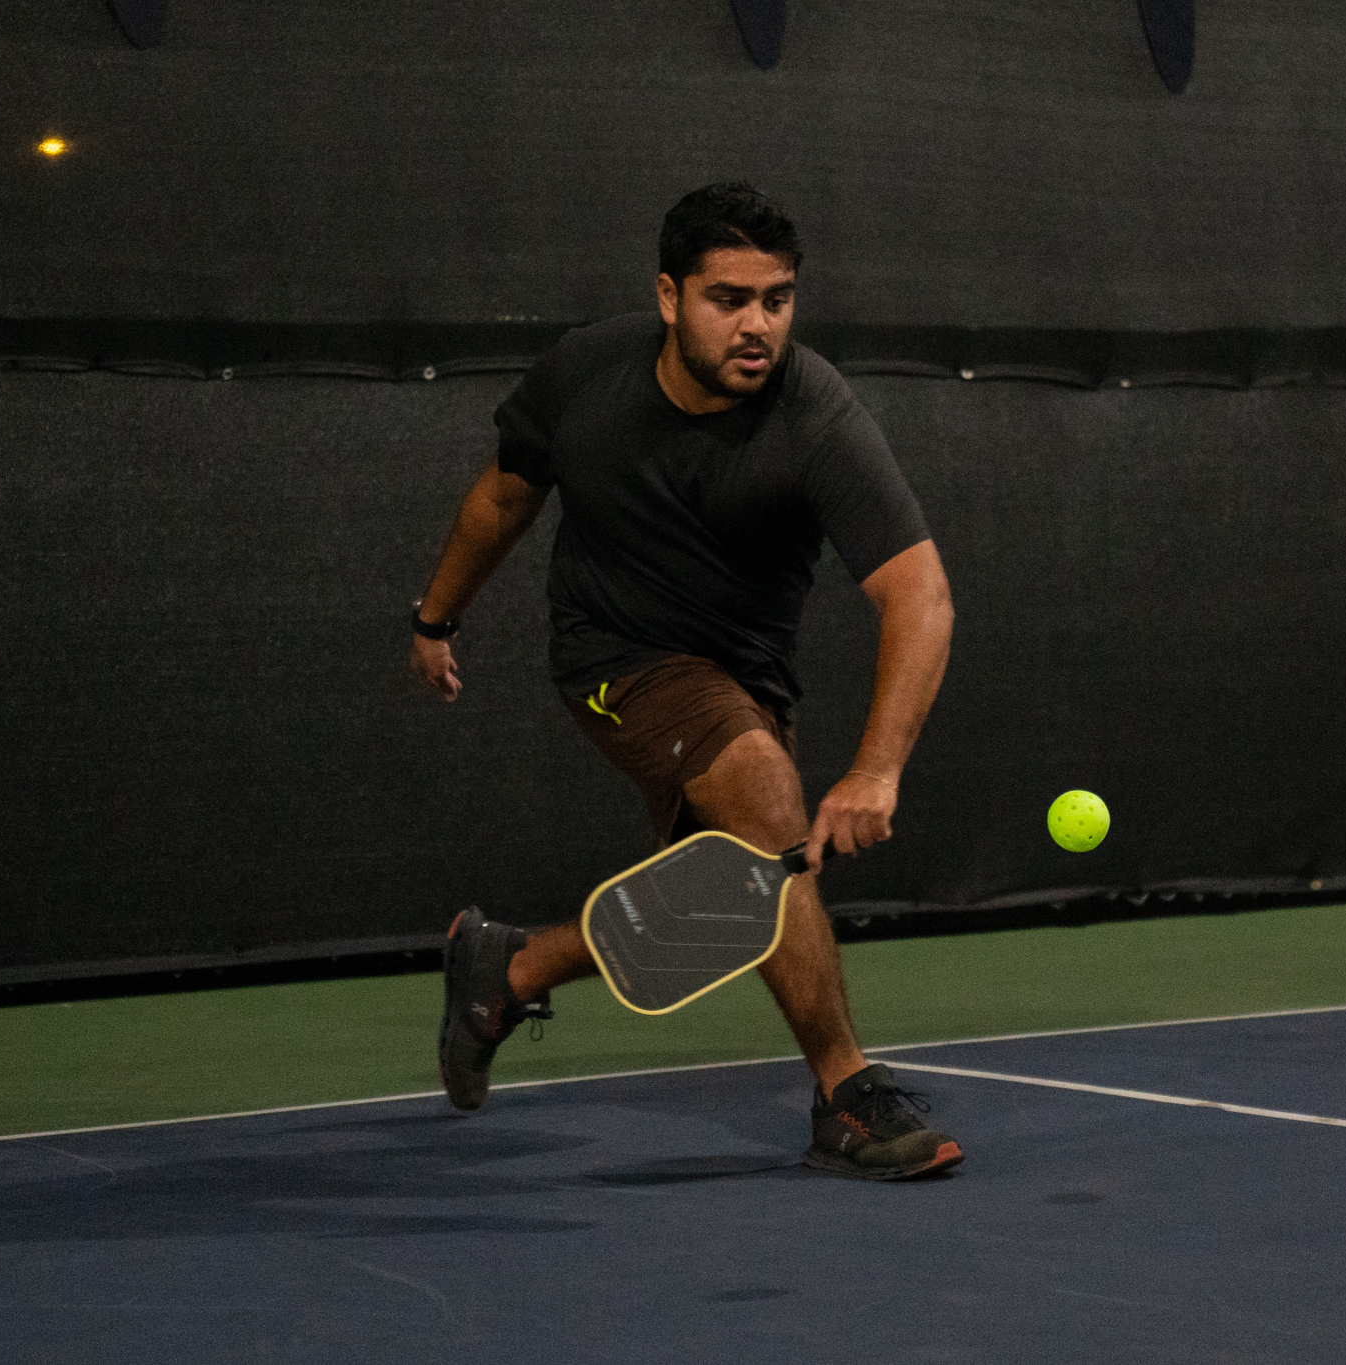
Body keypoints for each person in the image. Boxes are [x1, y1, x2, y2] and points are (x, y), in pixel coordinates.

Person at [409, 182, 961, 1180]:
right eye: (729, 299)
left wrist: (878, 768)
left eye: (778, 300)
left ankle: (507, 970)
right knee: (768, 808)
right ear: (669, 297)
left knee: (736, 897)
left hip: (748, 676)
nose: (758, 325)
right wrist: (434, 618)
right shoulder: (587, 374)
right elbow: (504, 496)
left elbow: (919, 594)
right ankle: (847, 1099)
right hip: (613, 657)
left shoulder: (815, 413)